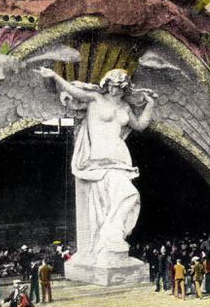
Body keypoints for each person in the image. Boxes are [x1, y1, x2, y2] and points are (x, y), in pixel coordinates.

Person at [36, 67, 156, 266]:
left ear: (124, 88)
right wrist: (56, 76)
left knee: (118, 200)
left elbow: (141, 125)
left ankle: (111, 237)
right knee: (128, 195)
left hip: (120, 160)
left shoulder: (125, 107)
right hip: (99, 161)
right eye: (111, 85)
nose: (114, 90)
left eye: (118, 87)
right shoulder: (95, 99)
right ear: (105, 84)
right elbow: (75, 93)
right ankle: (111, 235)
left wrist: (150, 104)